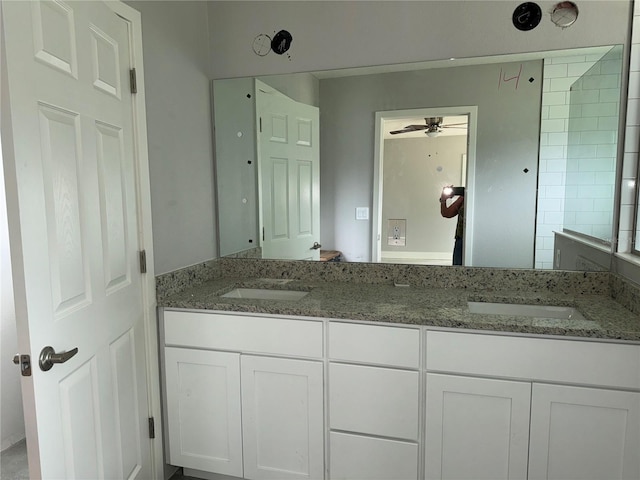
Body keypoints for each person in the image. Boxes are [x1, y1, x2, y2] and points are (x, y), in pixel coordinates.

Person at [440, 186, 464, 265]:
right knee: (457, 271)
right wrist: (443, 199)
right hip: (461, 239)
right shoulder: (464, 197)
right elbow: (447, 213)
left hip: (477, 240)